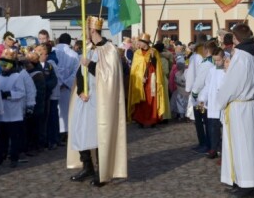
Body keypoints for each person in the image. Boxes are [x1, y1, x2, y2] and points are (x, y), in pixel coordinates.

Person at [67, 16, 127, 187]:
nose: (84, 33)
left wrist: (91, 65)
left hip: (100, 100)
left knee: (99, 134)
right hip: (84, 98)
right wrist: (80, 91)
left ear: (93, 30)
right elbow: (79, 73)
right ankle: (87, 167)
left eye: (86, 30)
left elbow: (110, 76)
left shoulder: (110, 50)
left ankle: (103, 171)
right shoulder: (87, 47)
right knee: (80, 132)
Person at [216, 23, 254, 197]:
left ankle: (248, 183)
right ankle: (240, 180)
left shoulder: (241, 57)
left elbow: (231, 85)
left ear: (236, 38)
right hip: (247, 105)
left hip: (239, 107)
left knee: (243, 146)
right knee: (242, 145)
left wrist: (219, 102)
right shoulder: (252, 56)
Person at [127, 33, 169, 127]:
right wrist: (140, 77)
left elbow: (157, 67)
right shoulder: (137, 53)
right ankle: (140, 120)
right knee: (141, 100)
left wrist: (153, 58)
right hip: (140, 81)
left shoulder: (154, 51)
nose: (138, 44)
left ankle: (152, 120)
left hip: (151, 80)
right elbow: (135, 68)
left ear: (145, 43)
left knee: (151, 99)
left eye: (140, 42)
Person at [0, 49, 27, 168]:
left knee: (14, 138)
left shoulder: (17, 76)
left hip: (14, 114)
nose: (3, 67)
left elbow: (21, 92)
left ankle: (14, 157)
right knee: (1, 138)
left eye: (6, 64)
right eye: (1, 64)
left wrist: (8, 94)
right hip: (2, 114)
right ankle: (0, 157)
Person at [198, 47, 226, 159]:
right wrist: (202, 98)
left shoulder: (228, 70)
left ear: (224, 58)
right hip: (213, 104)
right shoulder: (212, 71)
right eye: (215, 60)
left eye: (219, 60)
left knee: (225, 129)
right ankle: (214, 148)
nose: (217, 62)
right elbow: (207, 85)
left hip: (224, 104)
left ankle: (224, 151)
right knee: (213, 128)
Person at [55, 33, 79, 145]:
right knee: (66, 110)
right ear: (70, 42)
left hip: (55, 86)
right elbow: (75, 72)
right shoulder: (74, 55)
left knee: (56, 110)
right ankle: (65, 133)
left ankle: (56, 133)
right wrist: (66, 83)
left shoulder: (53, 51)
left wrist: (59, 82)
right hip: (66, 87)